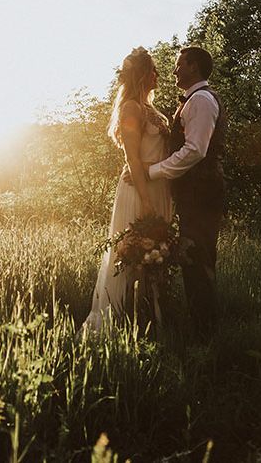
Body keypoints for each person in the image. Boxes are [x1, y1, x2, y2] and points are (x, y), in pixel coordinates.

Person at [126, 46, 227, 339]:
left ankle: (205, 334)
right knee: (193, 259)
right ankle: (201, 327)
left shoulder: (202, 101)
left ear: (193, 67)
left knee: (198, 259)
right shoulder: (193, 101)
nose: (174, 70)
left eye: (179, 64)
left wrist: (152, 171)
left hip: (202, 192)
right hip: (195, 193)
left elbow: (194, 151)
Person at [83, 47, 173, 331]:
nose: (158, 75)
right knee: (134, 253)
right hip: (139, 189)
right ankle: (119, 322)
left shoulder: (151, 110)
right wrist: (145, 199)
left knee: (155, 256)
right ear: (145, 75)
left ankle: (148, 318)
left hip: (159, 187)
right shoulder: (131, 108)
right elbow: (132, 157)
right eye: (154, 70)